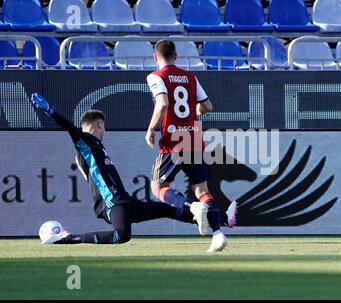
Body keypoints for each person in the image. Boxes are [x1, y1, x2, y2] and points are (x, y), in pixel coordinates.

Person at [30, 93, 210, 246]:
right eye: (103, 127)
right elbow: (70, 129)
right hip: (112, 201)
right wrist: (50, 111)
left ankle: (212, 219)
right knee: (121, 236)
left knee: (165, 209)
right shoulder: (85, 142)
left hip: (124, 201)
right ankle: (68, 238)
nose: (104, 131)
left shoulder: (96, 146)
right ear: (99, 125)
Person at [145, 39, 237, 253]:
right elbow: (207, 106)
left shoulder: (155, 76)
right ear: (176, 56)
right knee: (202, 190)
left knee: (158, 187)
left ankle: (193, 208)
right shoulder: (190, 77)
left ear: (155, 57)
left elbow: (163, 103)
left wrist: (151, 128)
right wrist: (189, 114)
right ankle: (218, 233)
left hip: (173, 140)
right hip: (194, 138)